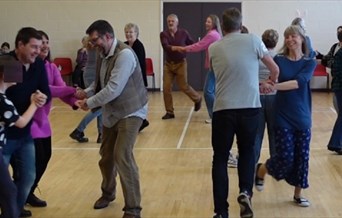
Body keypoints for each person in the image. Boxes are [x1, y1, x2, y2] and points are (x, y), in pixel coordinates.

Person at [209, 8, 279, 218]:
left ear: (222, 25)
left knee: (220, 159)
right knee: (247, 152)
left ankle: (221, 211)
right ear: (241, 24)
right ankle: (245, 192)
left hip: (223, 109)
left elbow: (215, 73)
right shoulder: (254, 41)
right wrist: (269, 84)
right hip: (250, 107)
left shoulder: (213, 47)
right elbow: (274, 69)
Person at [75, 20, 148, 218]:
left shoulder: (124, 54)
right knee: (106, 157)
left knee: (122, 155)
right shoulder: (102, 53)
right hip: (112, 112)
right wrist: (86, 92)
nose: (92, 44)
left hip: (132, 110)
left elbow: (113, 89)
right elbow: (100, 84)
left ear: (107, 36)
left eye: (95, 39)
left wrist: (89, 103)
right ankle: (108, 193)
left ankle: (133, 209)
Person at [255, 25, 316, 208]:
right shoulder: (279, 60)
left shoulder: (309, 61)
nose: (290, 39)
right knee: (285, 158)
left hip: (303, 117)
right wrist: (267, 83)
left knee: (302, 158)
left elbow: (299, 83)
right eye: (287, 36)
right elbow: (272, 79)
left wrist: (274, 87)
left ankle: (298, 195)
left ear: (302, 39)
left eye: (294, 36)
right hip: (282, 115)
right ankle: (261, 170)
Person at [25, 30, 78, 208]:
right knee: (29, 162)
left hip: (43, 122)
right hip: (26, 121)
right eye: (41, 43)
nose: (45, 45)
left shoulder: (51, 67)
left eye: (47, 42)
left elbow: (60, 88)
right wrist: (74, 90)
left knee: (44, 157)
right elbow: (48, 89)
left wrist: (77, 102)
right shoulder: (26, 67)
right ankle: (19, 195)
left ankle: (28, 191)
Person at [2, 27, 51, 217]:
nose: (38, 51)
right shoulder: (9, 62)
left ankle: (13, 209)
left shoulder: (38, 64)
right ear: (20, 45)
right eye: (34, 46)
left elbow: (44, 90)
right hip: (6, 135)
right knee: (4, 182)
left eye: (40, 47)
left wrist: (40, 96)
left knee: (28, 176)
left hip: (24, 134)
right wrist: (33, 99)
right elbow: (11, 97)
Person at [0, 57, 41, 218]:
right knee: (9, 193)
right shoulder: (3, 102)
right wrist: (34, 103)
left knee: (8, 192)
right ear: (4, 74)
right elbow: (21, 122)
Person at [160, 13, 202, 120]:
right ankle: (169, 112)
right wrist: (179, 48)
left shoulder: (184, 33)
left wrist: (196, 46)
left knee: (183, 86)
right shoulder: (163, 34)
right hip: (168, 65)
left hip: (181, 63)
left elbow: (191, 44)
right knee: (166, 88)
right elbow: (166, 47)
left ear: (177, 23)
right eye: (168, 21)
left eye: (172, 21)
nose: (170, 23)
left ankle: (197, 99)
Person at [69, 37, 103, 143]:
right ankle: (79, 130)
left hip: (89, 74)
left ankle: (101, 134)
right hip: (94, 76)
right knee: (99, 106)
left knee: (100, 105)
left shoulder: (90, 47)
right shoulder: (98, 48)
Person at [254, 29, 279, 164]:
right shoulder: (278, 57)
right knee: (274, 133)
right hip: (274, 97)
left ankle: (252, 163)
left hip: (257, 96)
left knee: (257, 134)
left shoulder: (256, 56)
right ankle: (275, 163)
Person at [124, 23, 150, 132]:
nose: (128, 34)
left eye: (131, 32)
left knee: (138, 102)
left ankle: (142, 121)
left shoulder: (138, 46)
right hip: (127, 79)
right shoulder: (124, 45)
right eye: (127, 32)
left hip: (137, 79)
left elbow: (138, 64)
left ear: (136, 33)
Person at [321, 25, 342, 154]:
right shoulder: (339, 52)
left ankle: (336, 143)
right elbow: (336, 70)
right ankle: (335, 143)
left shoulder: (339, 53)